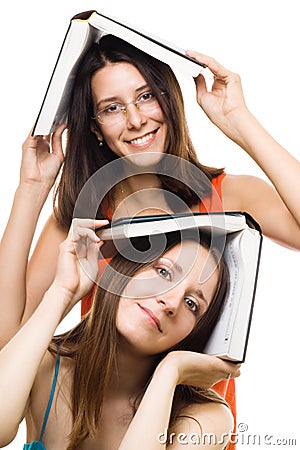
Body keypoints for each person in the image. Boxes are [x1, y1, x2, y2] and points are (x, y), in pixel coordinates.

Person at [0, 32, 299, 447]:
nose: (136, 119)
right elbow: (8, 343)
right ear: (96, 127)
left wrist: (238, 120)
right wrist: (30, 190)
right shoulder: (84, 220)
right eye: (112, 108)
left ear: (169, 99)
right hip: (95, 419)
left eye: (145, 96)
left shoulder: (228, 196)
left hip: (190, 428)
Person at [0, 218, 241, 449]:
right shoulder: (47, 365)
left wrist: (169, 371)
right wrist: (61, 292)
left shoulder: (206, 418)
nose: (171, 303)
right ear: (127, 267)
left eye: (191, 304)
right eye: (164, 272)